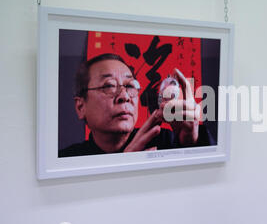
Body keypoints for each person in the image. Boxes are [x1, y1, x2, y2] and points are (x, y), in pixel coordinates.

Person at [59, 53, 215, 157]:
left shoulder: (165, 141)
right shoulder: (69, 158)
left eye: (130, 86)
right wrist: (123, 167)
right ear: (81, 107)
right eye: (108, 85)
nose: (124, 96)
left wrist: (191, 143)